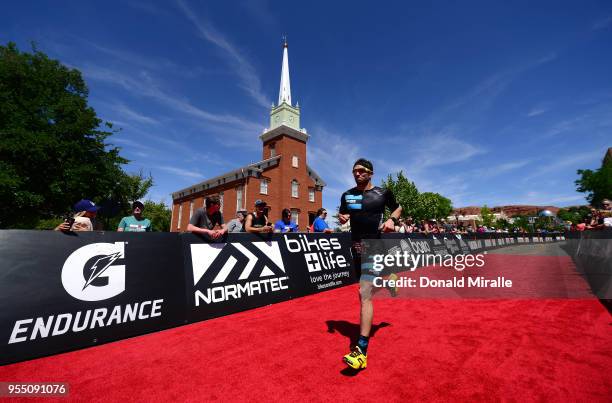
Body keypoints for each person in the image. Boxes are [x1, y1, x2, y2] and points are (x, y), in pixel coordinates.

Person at [337, 158, 402, 370]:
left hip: (374, 244)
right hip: (357, 247)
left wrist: (393, 220)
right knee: (369, 287)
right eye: (354, 171)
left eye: (361, 170)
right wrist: (342, 217)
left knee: (364, 292)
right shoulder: (348, 195)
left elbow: (398, 208)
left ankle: (361, 351)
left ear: (371, 173)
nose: (357, 174)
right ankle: (391, 279)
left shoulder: (383, 193)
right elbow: (345, 214)